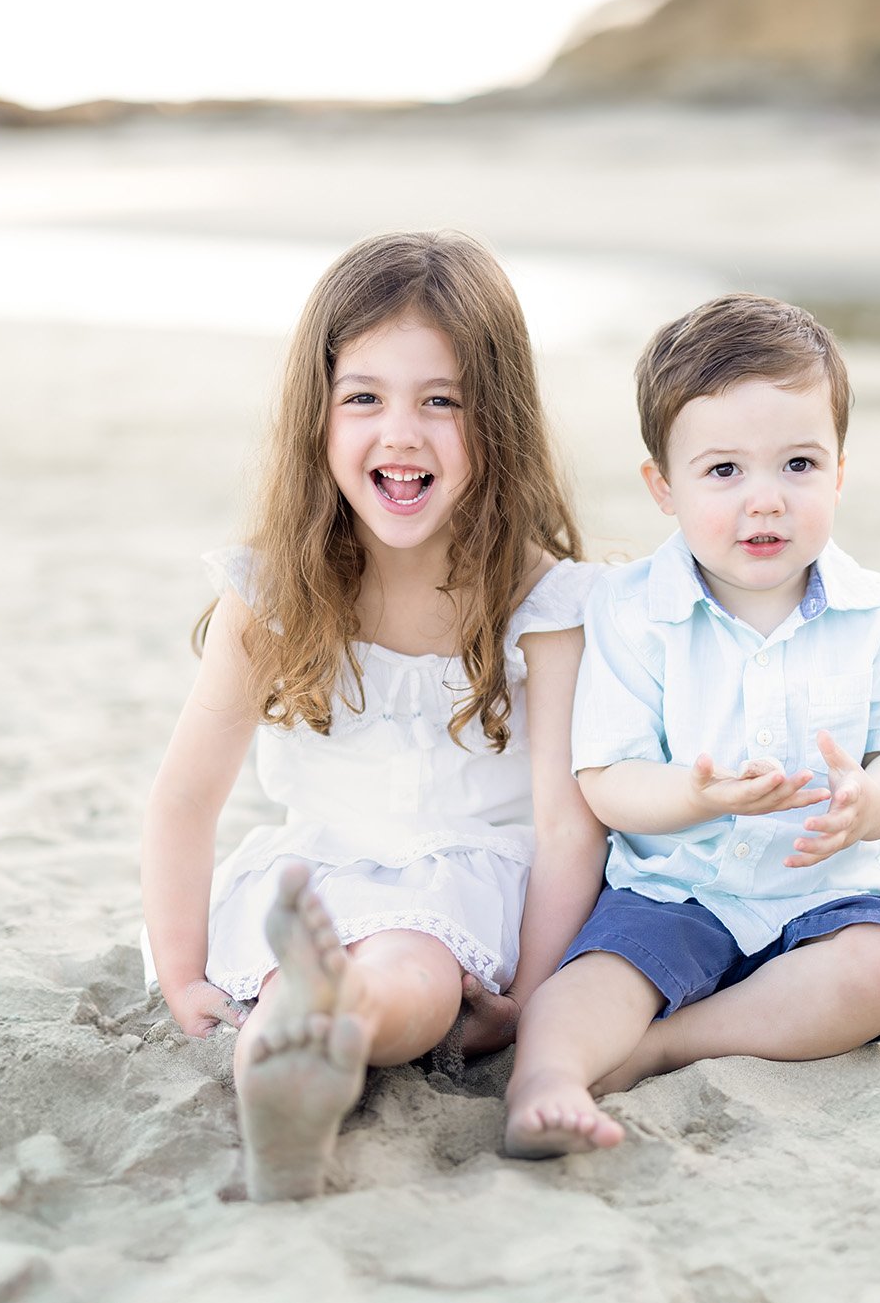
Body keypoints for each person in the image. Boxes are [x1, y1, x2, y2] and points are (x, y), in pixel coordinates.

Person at [141, 230, 608, 1200]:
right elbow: (185, 795)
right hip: (314, 869)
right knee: (280, 974)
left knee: (417, 970)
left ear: (501, 419)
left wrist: (531, 993)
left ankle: (338, 1016)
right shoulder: (272, 588)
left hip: (465, 888)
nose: (402, 431)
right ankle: (285, 1086)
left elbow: (568, 822)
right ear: (317, 416)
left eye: (441, 400)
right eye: (365, 397)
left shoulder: (540, 597)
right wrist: (184, 975)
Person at [504, 293, 880, 1157]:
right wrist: (696, 792)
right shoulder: (631, 611)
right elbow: (604, 778)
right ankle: (547, 1082)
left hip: (820, 898)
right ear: (662, 487)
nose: (765, 501)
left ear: (839, 471)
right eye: (723, 472)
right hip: (677, 889)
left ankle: (670, 1043)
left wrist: (872, 798)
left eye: (797, 464)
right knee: (595, 976)